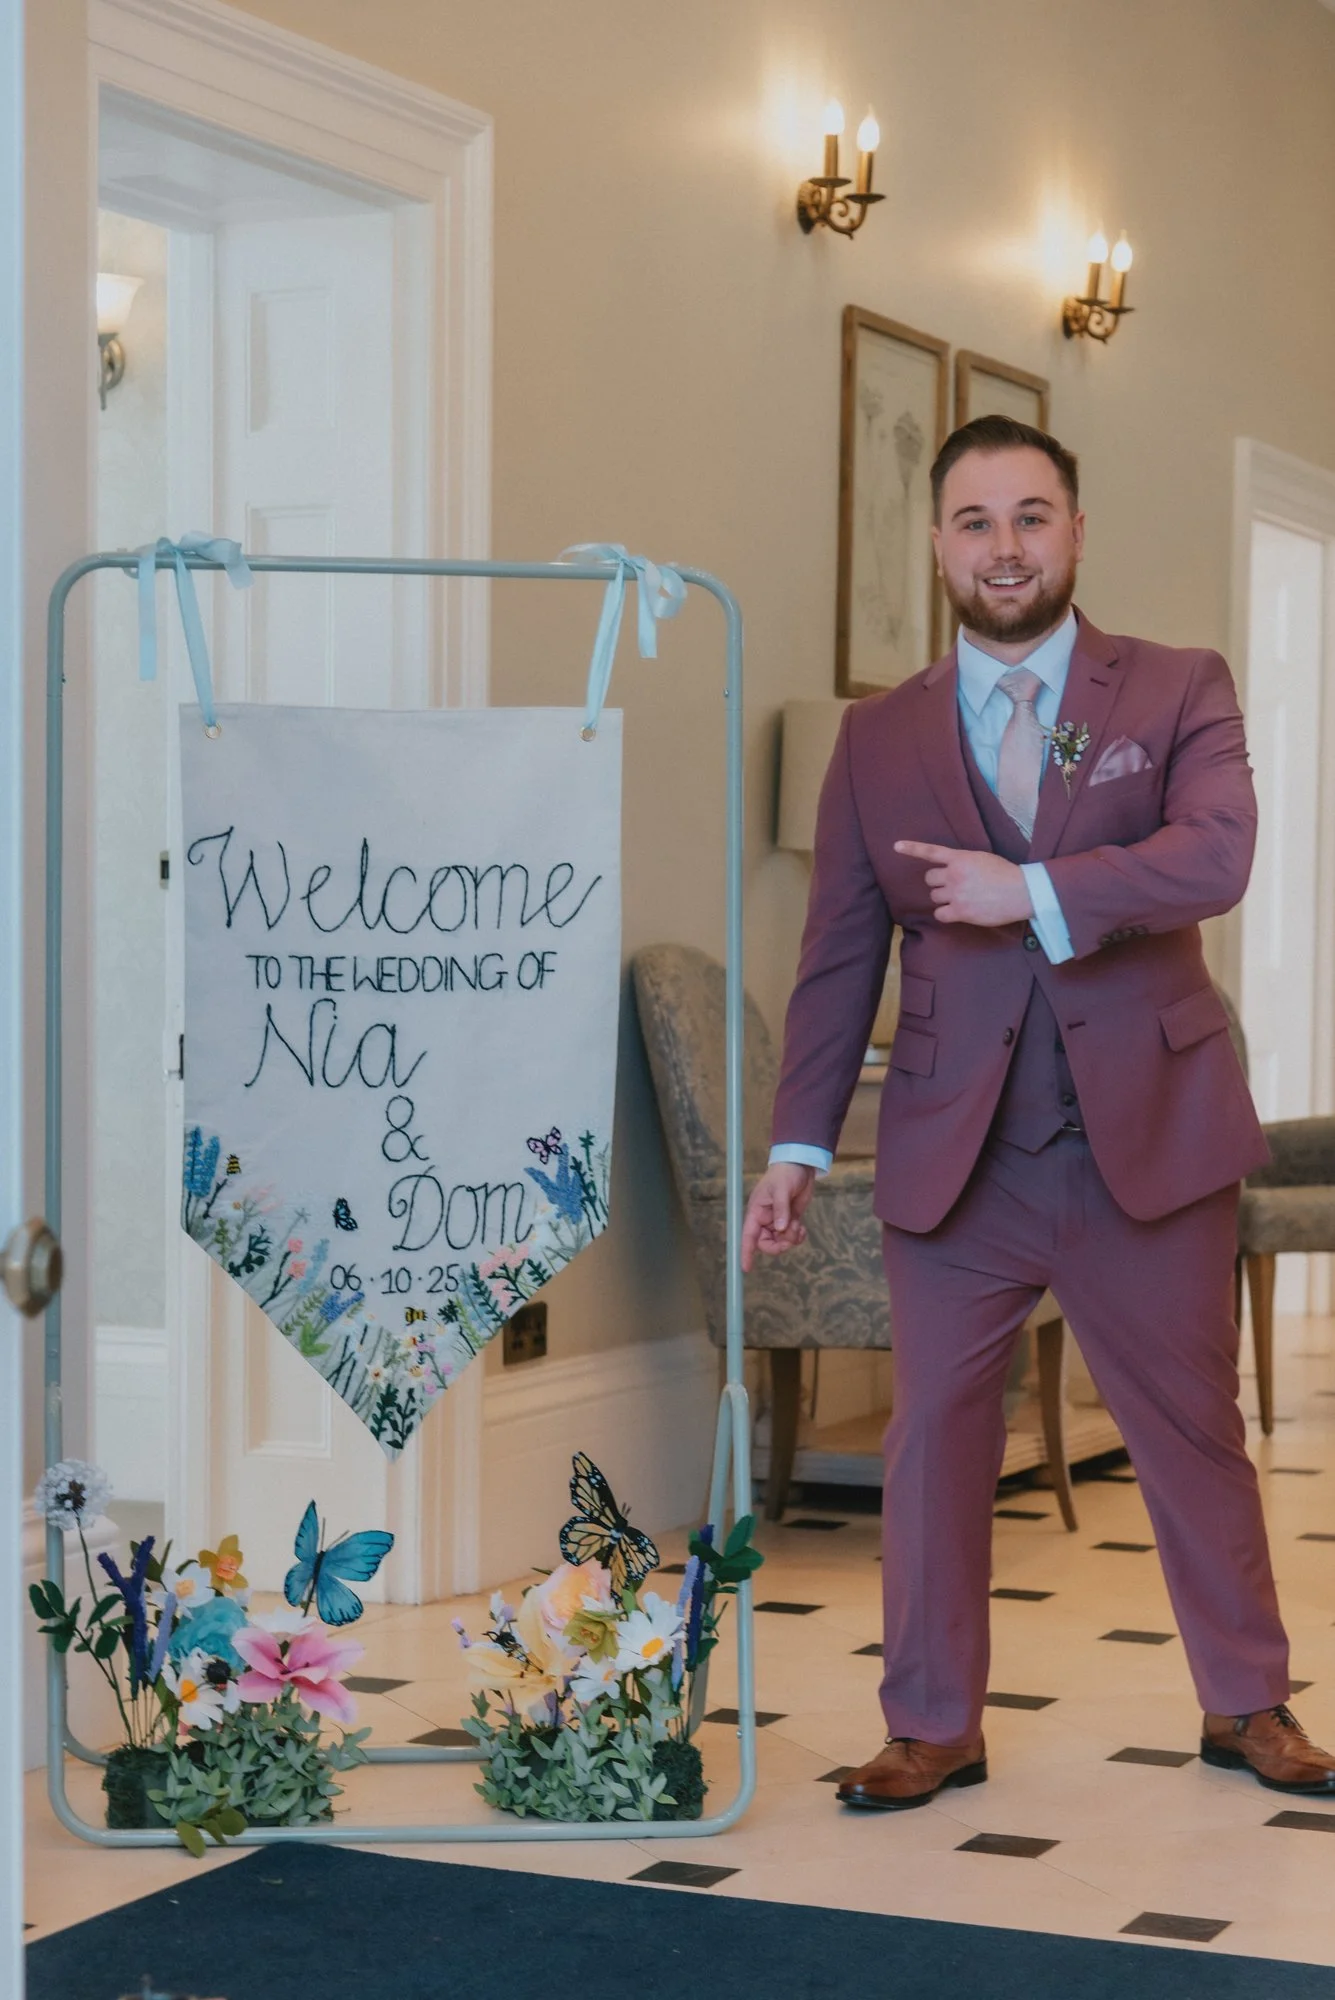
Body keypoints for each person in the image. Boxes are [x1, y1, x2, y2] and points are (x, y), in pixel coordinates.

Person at [742, 414, 1335, 1809]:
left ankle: (1245, 1703)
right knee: (934, 1436)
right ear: (937, 542)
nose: (1001, 545)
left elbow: (1215, 854)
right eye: (971, 520)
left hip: (1148, 1138)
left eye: (1028, 516)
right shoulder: (876, 738)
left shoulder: (1175, 688)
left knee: (1189, 1427)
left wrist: (1040, 893)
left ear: (1074, 533)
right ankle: (933, 1723)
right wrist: (795, 1142)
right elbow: (837, 953)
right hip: (959, 1154)